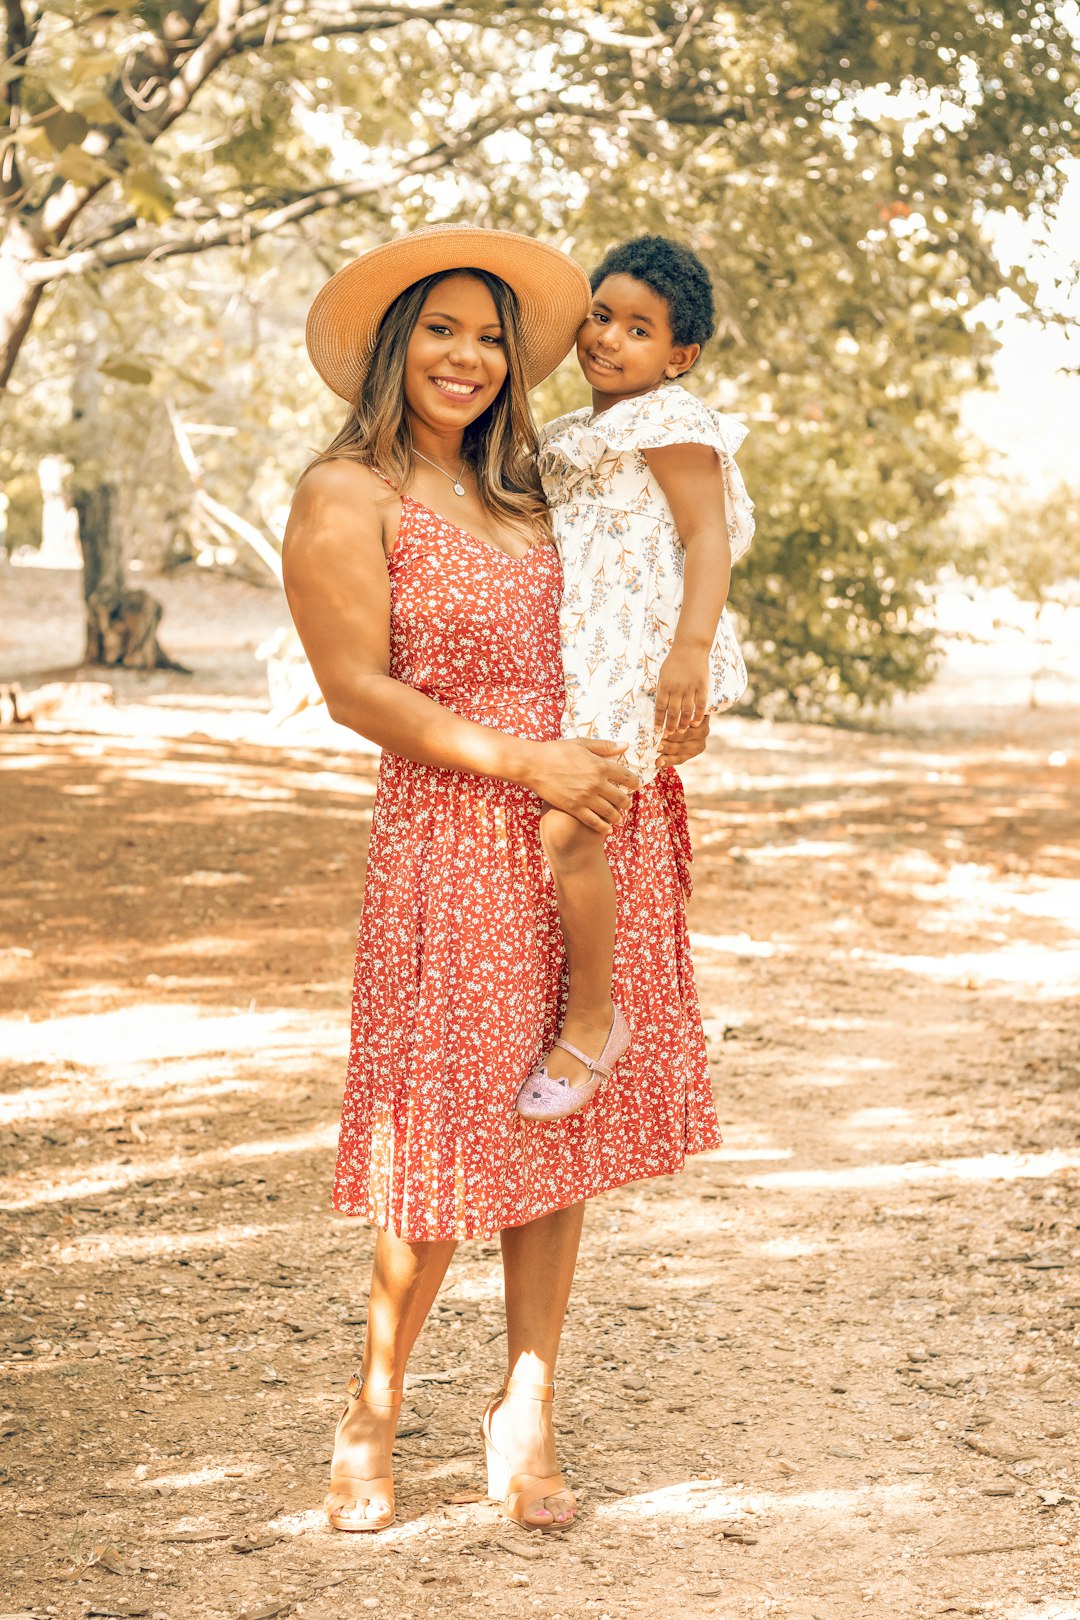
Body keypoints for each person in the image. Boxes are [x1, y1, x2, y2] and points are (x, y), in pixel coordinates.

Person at [282, 225, 721, 1536]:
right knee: (441, 1139)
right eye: (440, 331)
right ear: (392, 344)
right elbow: (356, 689)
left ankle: (526, 1405)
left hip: (590, 820)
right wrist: (525, 760)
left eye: (489, 337)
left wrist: (671, 694)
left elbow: (656, 577)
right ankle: (374, 1406)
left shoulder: (538, 480)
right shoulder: (345, 494)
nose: (469, 357)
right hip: (458, 833)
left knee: (556, 1118)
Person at [516, 235, 755, 1122]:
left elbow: (707, 538)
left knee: (569, 831)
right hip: (581, 654)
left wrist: (689, 653)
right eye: (601, 316)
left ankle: (593, 1017)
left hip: (639, 657)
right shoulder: (573, 435)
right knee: (561, 824)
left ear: (679, 356)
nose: (608, 339)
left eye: (638, 329)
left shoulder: (671, 421)